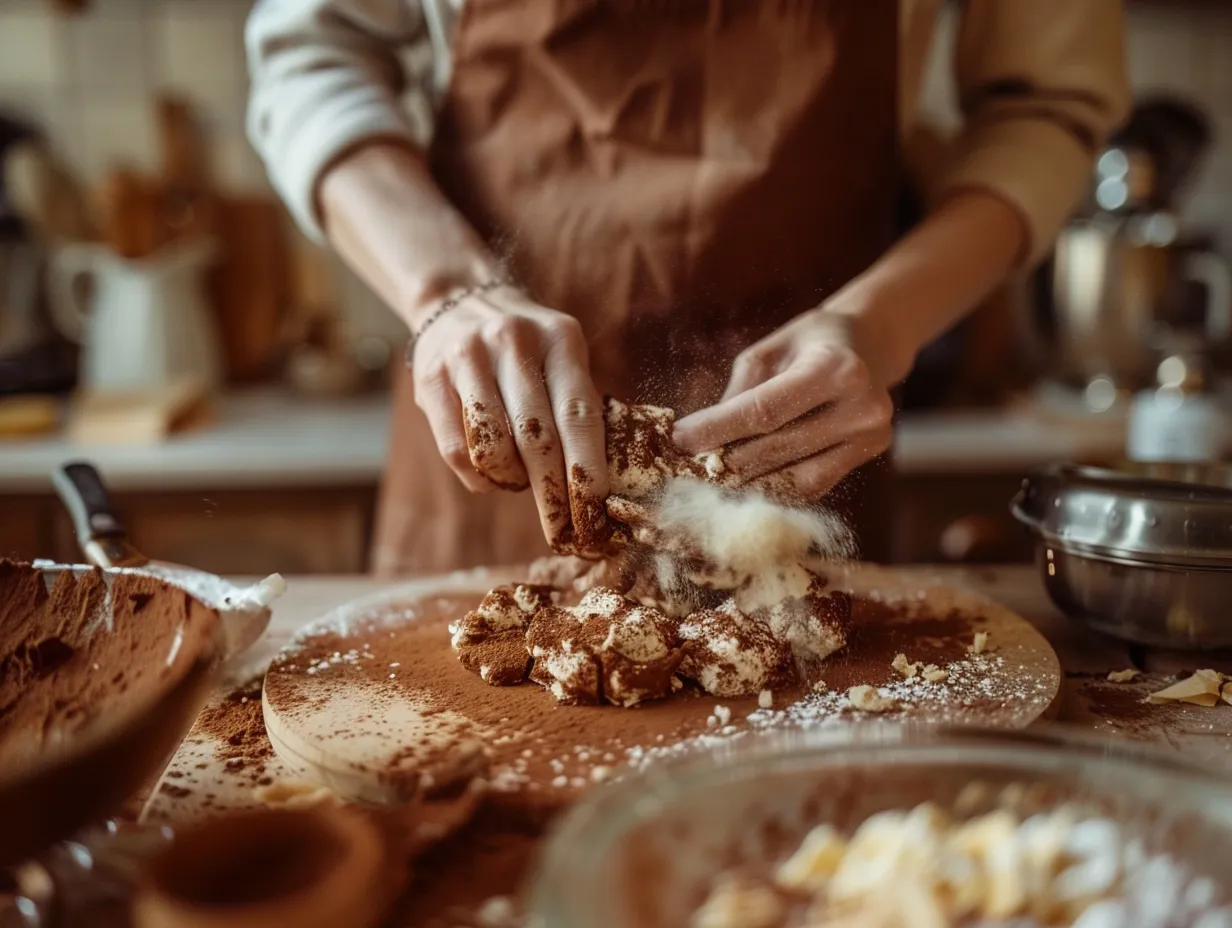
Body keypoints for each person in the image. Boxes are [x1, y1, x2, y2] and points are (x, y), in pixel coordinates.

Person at [247, 0, 1130, 576]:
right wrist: (446, 290)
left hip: (804, 445)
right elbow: (313, 55)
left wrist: (880, 320)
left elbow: (1042, 105)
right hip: (489, 447)